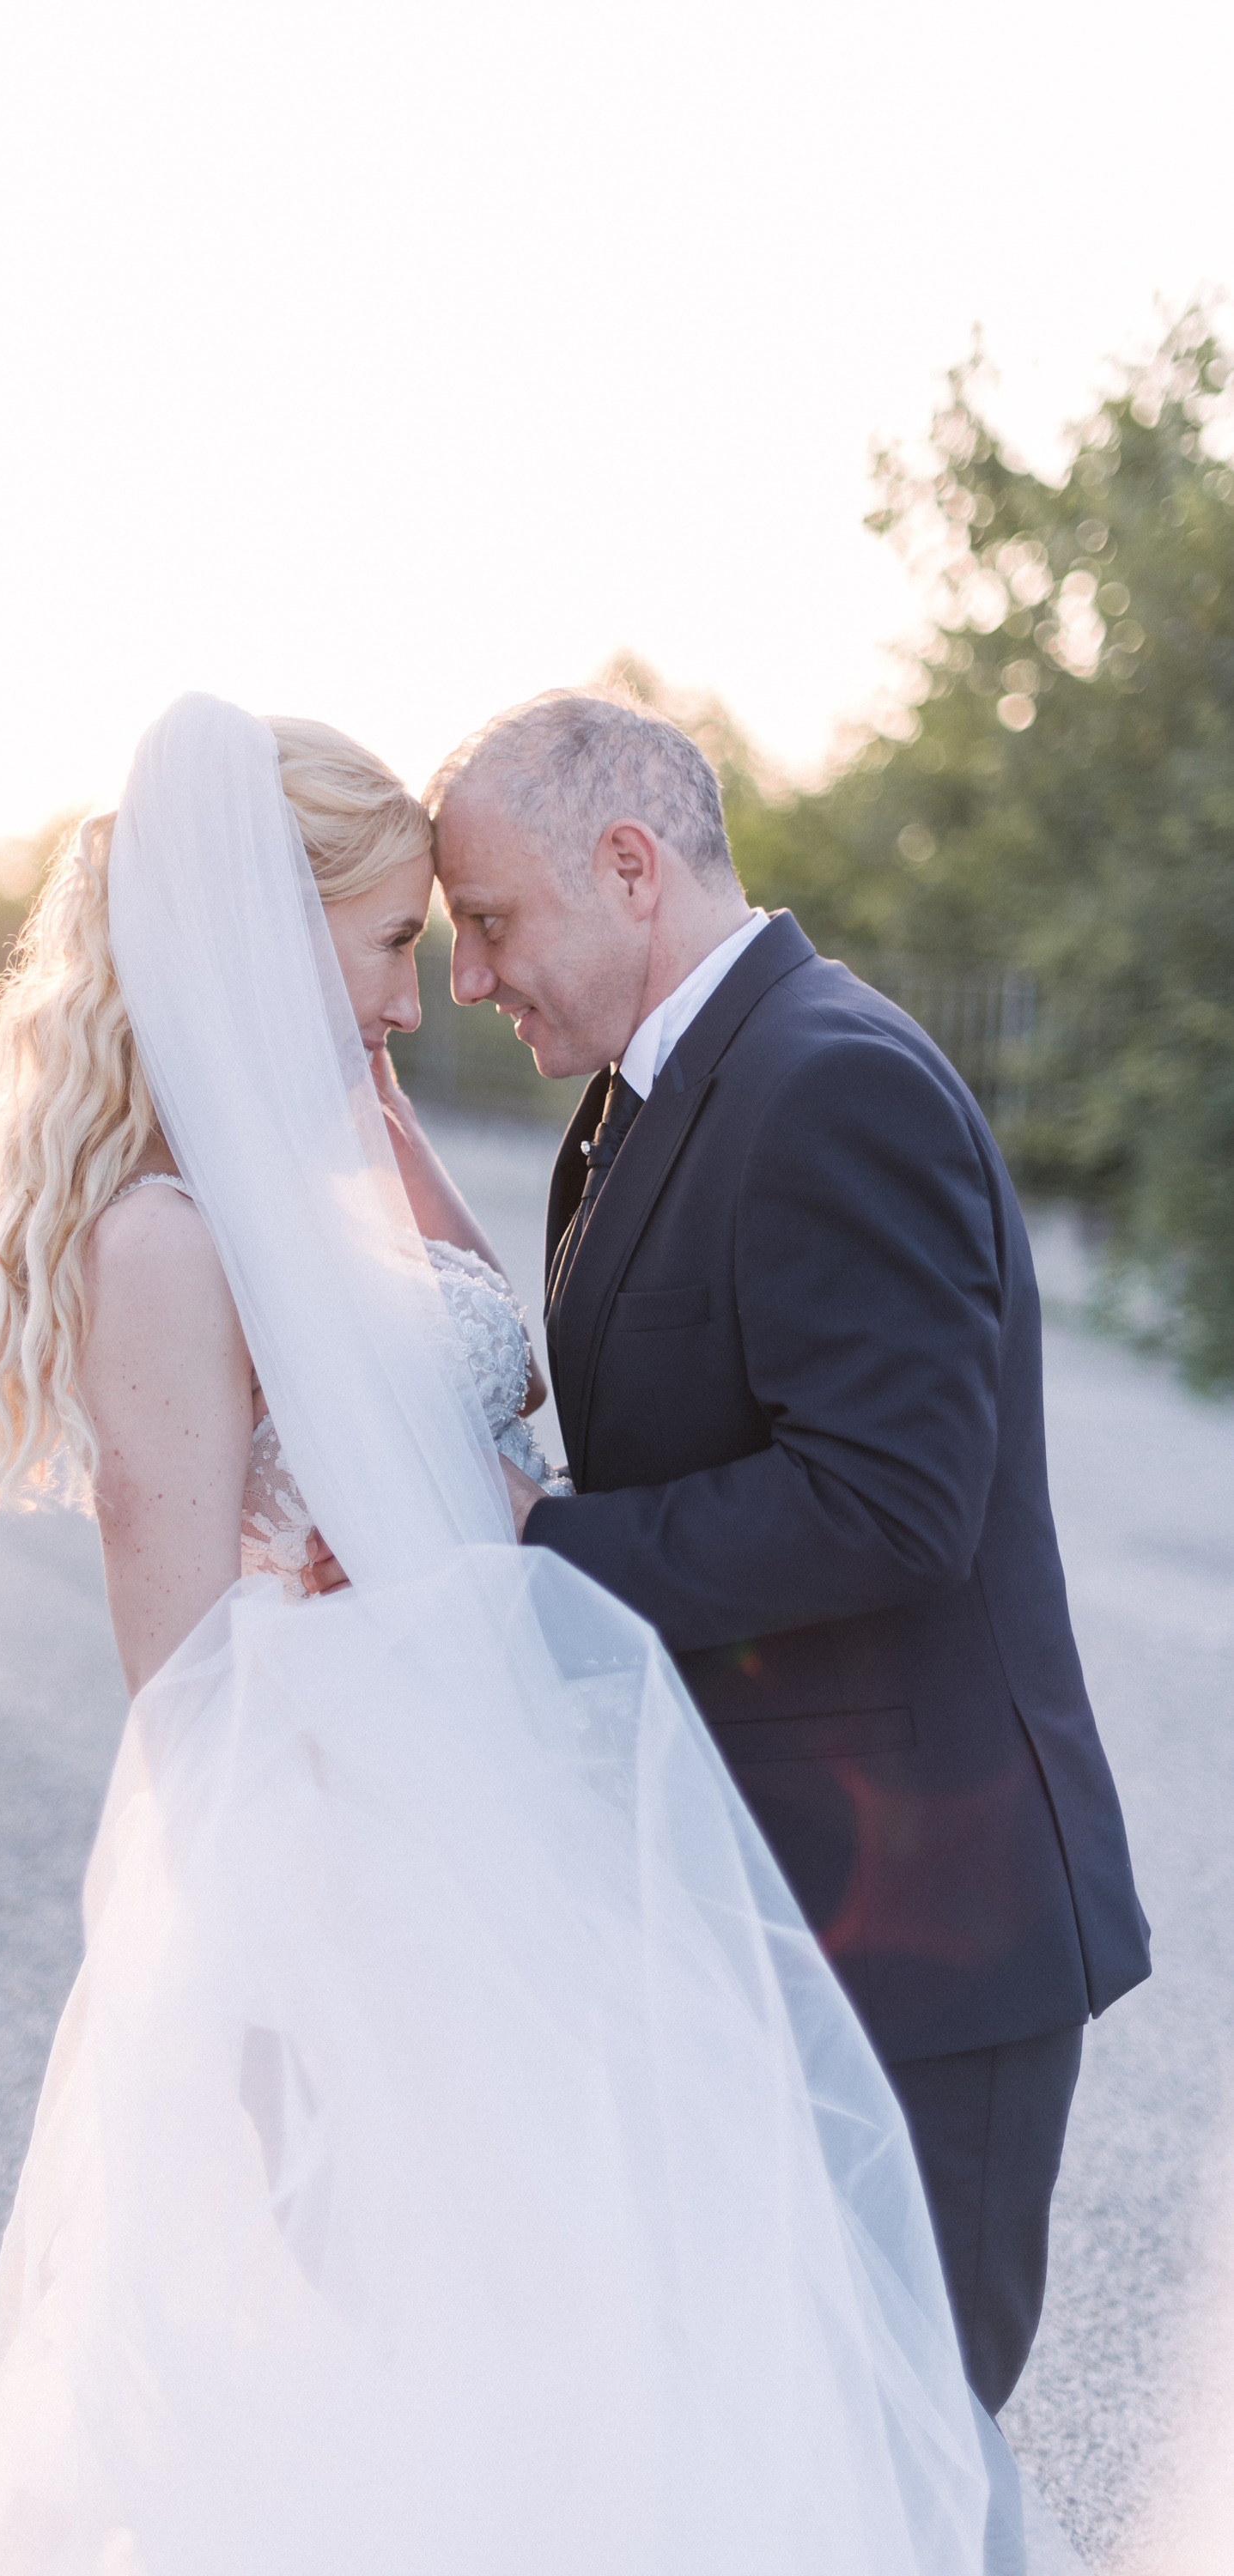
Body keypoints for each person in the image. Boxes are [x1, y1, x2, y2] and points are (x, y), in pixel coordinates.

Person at [0, 694, 1055, 2573]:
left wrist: (343, 1089)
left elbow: (494, 1373)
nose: (429, 995)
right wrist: (266, 2023)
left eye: (463, 940)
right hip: (383, 1883)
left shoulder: (333, 1170)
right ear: (278, 938)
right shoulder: (165, 1245)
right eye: (393, 948)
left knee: (684, 2378)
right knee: (481, 2381)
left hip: (542, 1850)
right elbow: (185, 1698)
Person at [422, 685, 1152, 2423]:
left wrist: (544, 1548)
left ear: (627, 864)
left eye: (492, 923)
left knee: (891, 2463)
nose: (472, 977)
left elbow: (893, 1501)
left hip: (920, 1936)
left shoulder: (834, 1085)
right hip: (776, 1905)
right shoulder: (643, 1099)